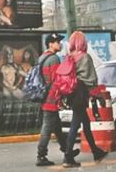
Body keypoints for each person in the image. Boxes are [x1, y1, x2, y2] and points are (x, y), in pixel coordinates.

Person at [62, 31, 107, 168]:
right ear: (83, 43)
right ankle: (68, 156)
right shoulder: (85, 57)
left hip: (72, 94)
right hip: (81, 94)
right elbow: (91, 80)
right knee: (75, 124)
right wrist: (97, 95)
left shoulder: (69, 57)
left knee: (85, 123)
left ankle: (96, 151)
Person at [35, 34, 69, 167]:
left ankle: (67, 150)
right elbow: (56, 81)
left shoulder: (42, 57)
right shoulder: (54, 59)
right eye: (57, 42)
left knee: (57, 127)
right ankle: (41, 155)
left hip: (44, 97)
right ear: (50, 44)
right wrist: (59, 99)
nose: (60, 44)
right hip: (51, 99)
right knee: (47, 128)